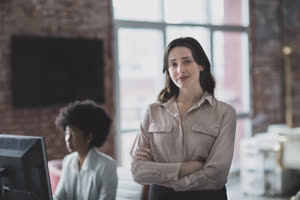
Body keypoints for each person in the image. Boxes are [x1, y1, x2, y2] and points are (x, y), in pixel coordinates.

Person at [130, 37, 236, 200]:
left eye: (187, 61)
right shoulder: (153, 111)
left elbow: (217, 175)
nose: (180, 69)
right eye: (173, 64)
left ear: (201, 65)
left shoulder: (224, 112)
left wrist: (170, 181)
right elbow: (138, 171)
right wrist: (187, 167)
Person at [53, 100, 118, 200]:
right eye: (67, 133)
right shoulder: (68, 161)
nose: (68, 139)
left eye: (73, 134)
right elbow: (58, 197)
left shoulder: (107, 166)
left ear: (89, 137)